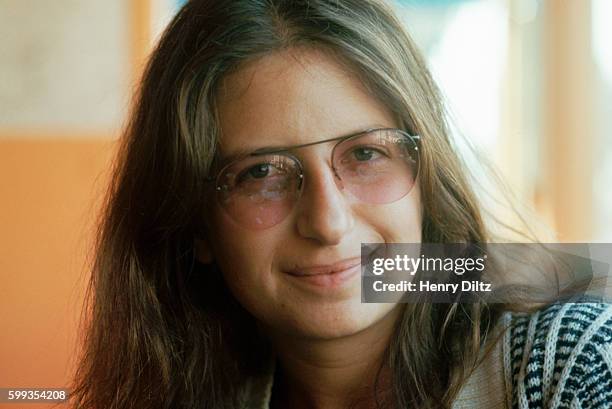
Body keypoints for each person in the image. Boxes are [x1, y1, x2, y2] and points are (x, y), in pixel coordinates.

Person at [71, 0, 612, 408]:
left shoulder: (571, 361)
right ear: (195, 226)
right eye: (261, 172)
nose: (328, 222)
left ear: (426, 176)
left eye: (365, 154)